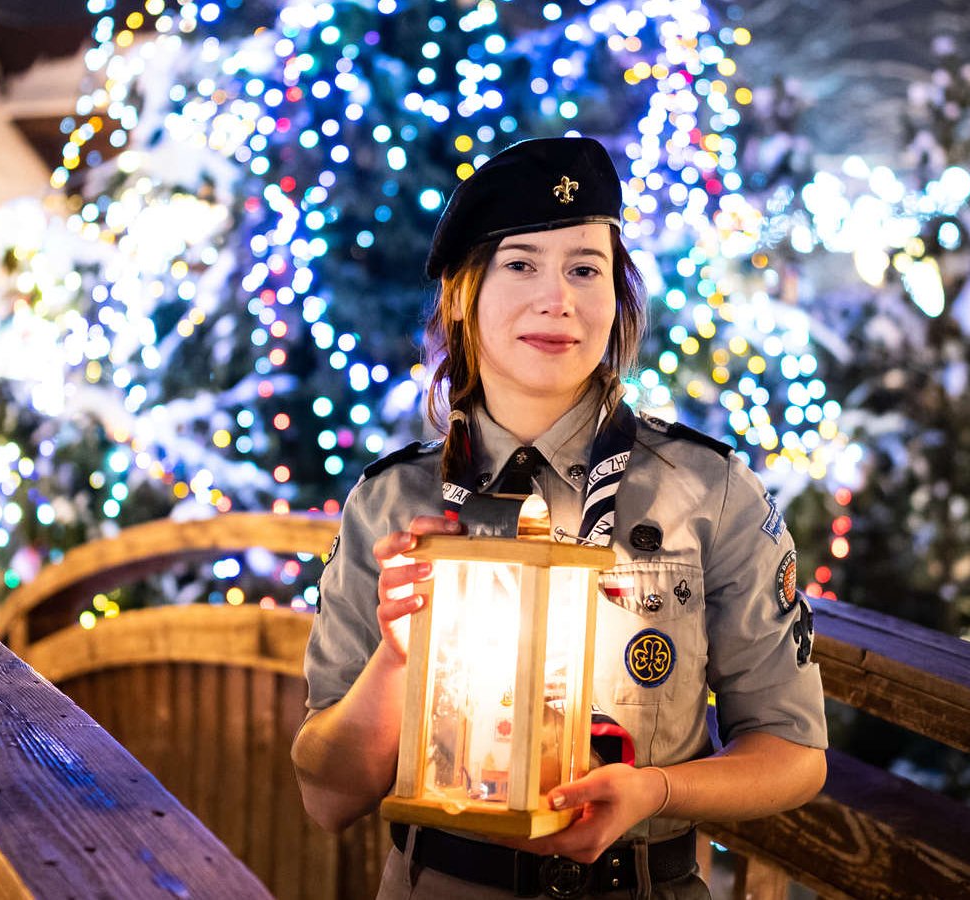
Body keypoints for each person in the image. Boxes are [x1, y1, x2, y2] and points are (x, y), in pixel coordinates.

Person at [292, 137, 828, 899]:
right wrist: (399, 656)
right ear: (463, 294)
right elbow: (328, 797)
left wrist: (657, 792)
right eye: (520, 265)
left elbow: (796, 754)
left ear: (619, 299)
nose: (559, 300)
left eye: (585, 269)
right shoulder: (392, 504)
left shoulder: (711, 492)